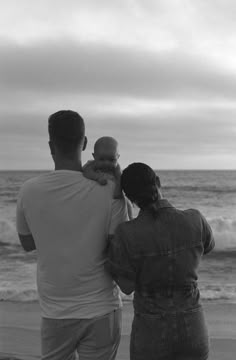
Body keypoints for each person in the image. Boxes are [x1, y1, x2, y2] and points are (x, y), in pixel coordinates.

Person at [16, 110, 128, 360]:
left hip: (56, 311)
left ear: (50, 145)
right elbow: (120, 241)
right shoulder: (110, 190)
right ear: (85, 143)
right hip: (102, 308)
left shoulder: (29, 190)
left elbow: (26, 243)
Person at [106, 162, 215, 360]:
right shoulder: (195, 219)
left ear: (130, 198)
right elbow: (208, 247)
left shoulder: (127, 234)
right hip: (193, 326)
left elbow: (126, 286)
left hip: (151, 332)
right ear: (157, 181)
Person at [83, 136, 133, 219]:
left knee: (127, 204)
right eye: (102, 159)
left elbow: (119, 179)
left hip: (112, 198)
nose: (106, 163)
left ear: (118, 157)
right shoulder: (92, 165)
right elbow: (86, 172)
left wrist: (118, 190)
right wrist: (97, 177)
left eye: (111, 160)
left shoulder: (117, 168)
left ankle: (130, 219)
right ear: (94, 156)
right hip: (98, 198)